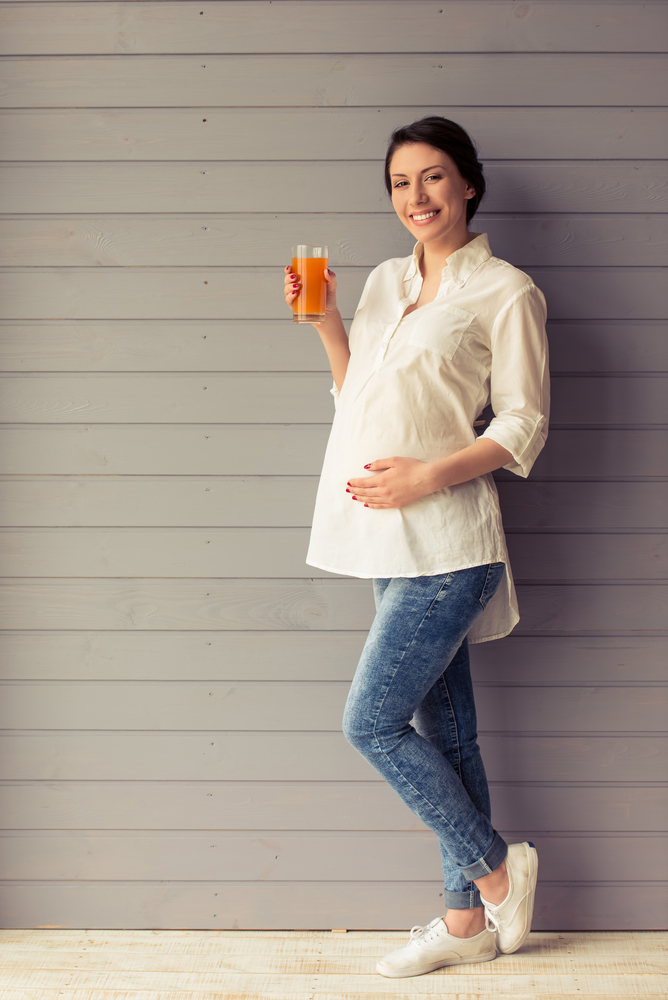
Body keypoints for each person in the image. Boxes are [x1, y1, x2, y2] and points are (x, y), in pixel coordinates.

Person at [283, 116, 549, 980]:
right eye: (401, 183)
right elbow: (359, 397)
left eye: (433, 178)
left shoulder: (507, 292)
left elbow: (523, 424)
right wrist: (327, 322)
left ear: (468, 184)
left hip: (451, 543)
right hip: (387, 541)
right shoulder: (387, 281)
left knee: (371, 722)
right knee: (450, 732)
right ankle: (462, 920)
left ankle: (499, 870)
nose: (417, 197)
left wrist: (430, 474)